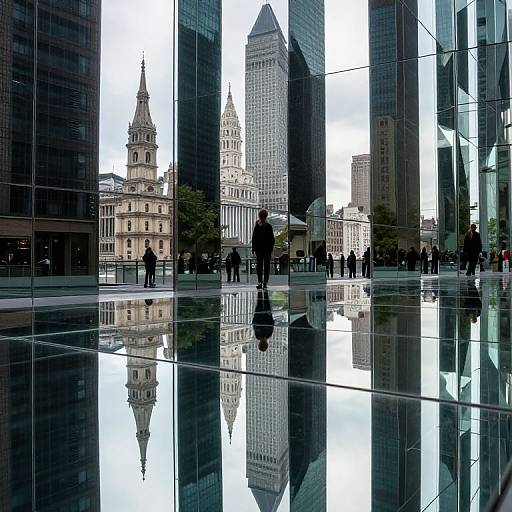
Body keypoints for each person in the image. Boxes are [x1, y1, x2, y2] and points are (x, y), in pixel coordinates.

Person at [251, 209, 275, 290]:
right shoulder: (268, 226)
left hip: (259, 249)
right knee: (266, 265)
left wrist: (253, 248)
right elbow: (272, 239)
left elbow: (254, 238)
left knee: (260, 265)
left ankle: (260, 282)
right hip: (266, 249)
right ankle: (264, 282)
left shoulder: (257, 226)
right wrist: (271, 248)